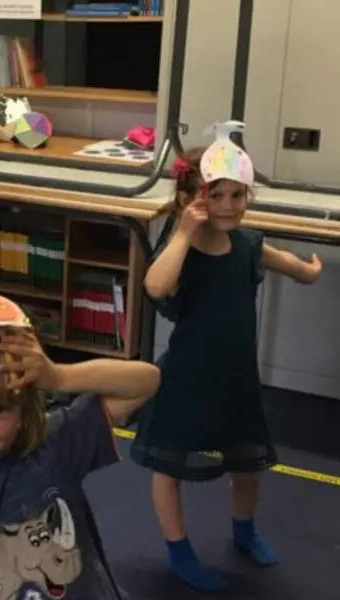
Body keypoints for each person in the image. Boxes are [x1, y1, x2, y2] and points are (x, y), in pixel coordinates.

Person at [130, 122, 323, 593]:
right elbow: (155, 286)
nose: (230, 207)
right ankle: (178, 551)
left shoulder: (246, 245)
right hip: (187, 381)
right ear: (192, 200)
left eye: (239, 196)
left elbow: (281, 260)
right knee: (168, 468)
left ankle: (244, 531)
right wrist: (182, 231)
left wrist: (307, 271)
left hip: (236, 383)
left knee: (247, 466)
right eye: (216, 196)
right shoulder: (181, 251)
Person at [0, 317, 161, 600]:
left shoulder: (52, 446)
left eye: (0, 409)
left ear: (23, 410)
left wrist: (59, 376)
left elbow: (146, 382)